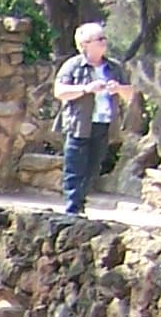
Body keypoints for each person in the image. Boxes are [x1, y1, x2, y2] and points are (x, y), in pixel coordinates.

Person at [52, 22, 138, 216]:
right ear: (85, 44)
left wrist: (119, 89)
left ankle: (80, 203)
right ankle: (73, 209)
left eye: (104, 38)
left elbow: (130, 94)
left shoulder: (114, 67)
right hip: (79, 124)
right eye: (99, 39)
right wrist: (85, 89)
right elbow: (60, 91)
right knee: (75, 166)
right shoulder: (73, 66)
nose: (104, 42)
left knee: (93, 167)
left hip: (104, 123)